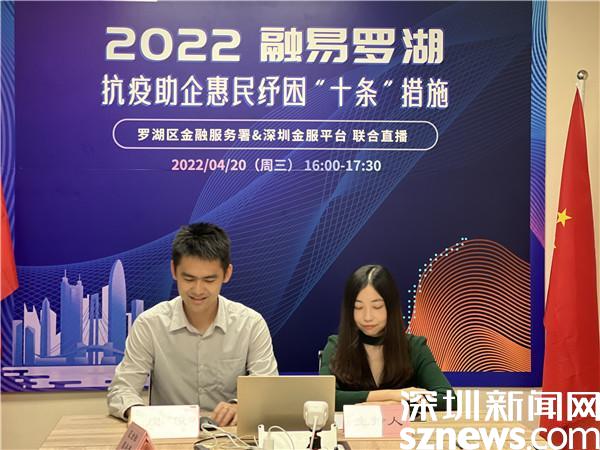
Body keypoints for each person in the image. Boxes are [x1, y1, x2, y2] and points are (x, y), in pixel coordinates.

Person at [107, 223, 278, 425]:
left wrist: (240, 406)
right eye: (188, 279)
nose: (198, 290)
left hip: (229, 435)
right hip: (168, 434)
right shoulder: (150, 324)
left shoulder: (251, 324)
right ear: (174, 270)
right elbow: (122, 389)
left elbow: (267, 388)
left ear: (227, 273)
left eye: (209, 280)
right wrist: (138, 413)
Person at [319, 264, 455, 411]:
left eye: (377, 307)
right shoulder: (336, 346)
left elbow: (448, 399)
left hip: (402, 426)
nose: (367, 317)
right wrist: (395, 395)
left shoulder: (414, 346)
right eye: (358, 307)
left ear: (391, 307)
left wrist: (396, 407)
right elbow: (325, 398)